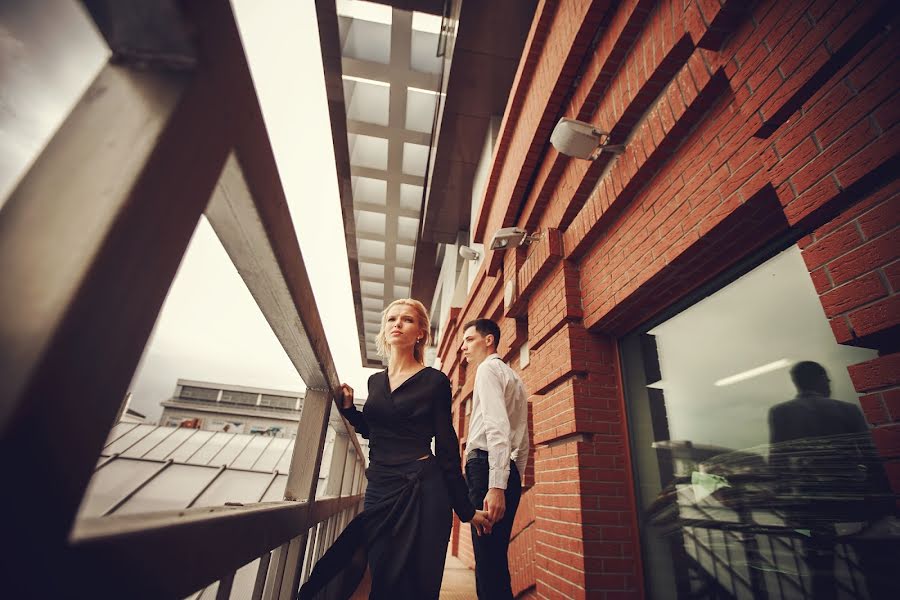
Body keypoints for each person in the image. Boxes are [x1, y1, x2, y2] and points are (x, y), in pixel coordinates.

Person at [298, 298, 491, 600]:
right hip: (380, 488)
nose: (398, 324)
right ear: (385, 330)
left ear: (420, 334)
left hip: (421, 490)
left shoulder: (435, 382)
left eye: (407, 320)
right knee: (350, 563)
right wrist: (350, 412)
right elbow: (377, 431)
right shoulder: (375, 382)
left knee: (402, 583)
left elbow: (447, 446)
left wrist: (466, 510)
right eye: (392, 319)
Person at [768, 361, 897, 600]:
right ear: (819, 379)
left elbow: (778, 462)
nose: (829, 384)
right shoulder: (847, 410)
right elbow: (871, 457)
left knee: (821, 575)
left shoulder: (781, 412)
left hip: (811, 508)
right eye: (827, 379)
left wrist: (784, 502)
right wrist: (887, 500)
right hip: (856, 504)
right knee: (877, 572)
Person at [461, 318, 529, 600]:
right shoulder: (514, 377)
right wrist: (514, 478)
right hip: (504, 471)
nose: (464, 348)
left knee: (488, 564)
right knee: (495, 561)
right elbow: (523, 440)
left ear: (489, 340)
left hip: (487, 470)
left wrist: (497, 485)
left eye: (469, 340)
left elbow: (498, 427)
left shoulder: (487, 369)